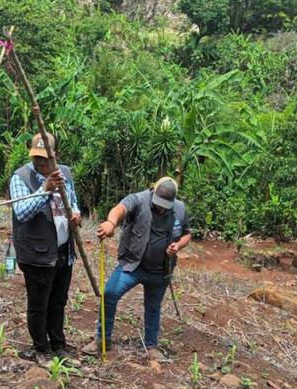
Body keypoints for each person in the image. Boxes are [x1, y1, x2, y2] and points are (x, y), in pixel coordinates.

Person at [82, 177, 192, 360]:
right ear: (153, 192)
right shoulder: (139, 199)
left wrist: (178, 245)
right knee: (109, 294)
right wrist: (111, 223)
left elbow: (187, 234)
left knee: (153, 307)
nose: (161, 208)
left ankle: (151, 346)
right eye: (159, 203)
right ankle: (102, 339)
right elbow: (120, 209)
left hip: (160, 270)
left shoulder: (180, 209)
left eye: (166, 205)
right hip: (133, 265)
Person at [10, 132, 81, 364]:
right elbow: (21, 212)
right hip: (36, 253)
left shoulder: (65, 173)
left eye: (44, 157)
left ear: (55, 155)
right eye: (36, 157)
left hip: (63, 250)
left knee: (58, 301)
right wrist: (45, 190)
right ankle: (41, 349)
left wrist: (76, 214)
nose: (39, 162)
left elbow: (72, 202)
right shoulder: (20, 178)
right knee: (39, 304)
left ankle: (58, 345)